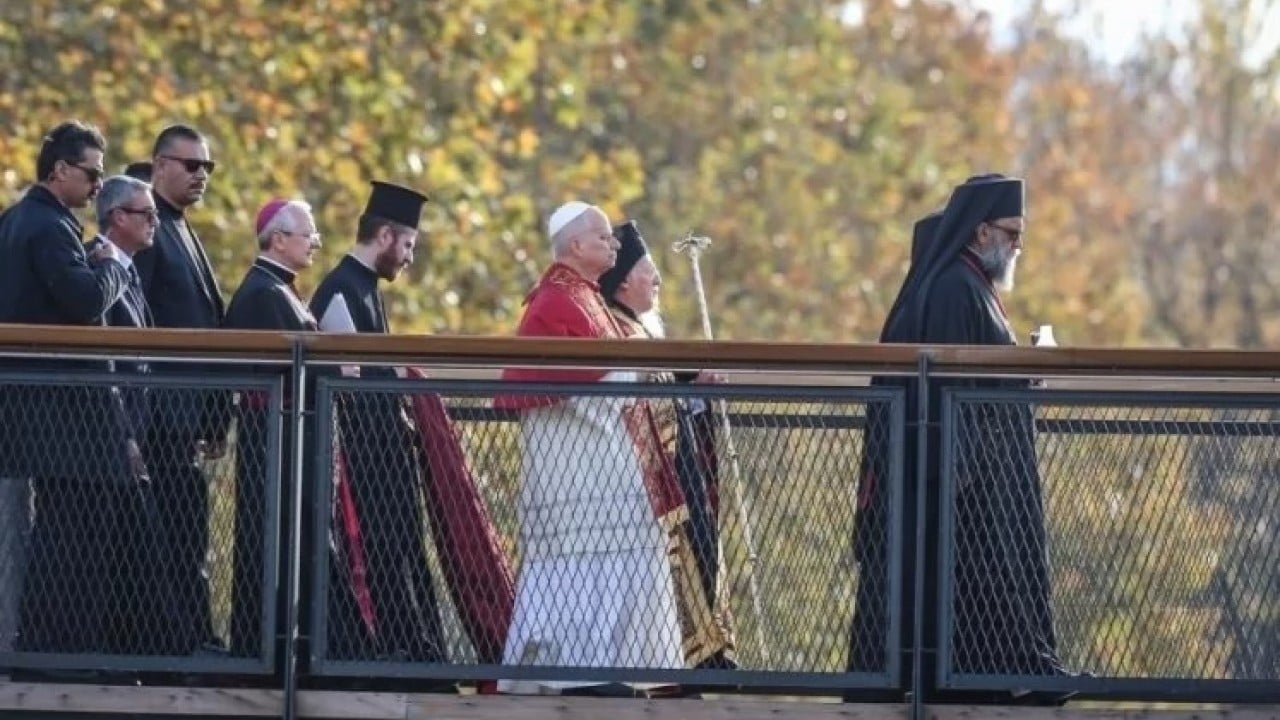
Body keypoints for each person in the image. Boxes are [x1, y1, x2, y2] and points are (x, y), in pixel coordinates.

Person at [849, 174, 1074, 705]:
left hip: (981, 462)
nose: (1019, 246)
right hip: (966, 469)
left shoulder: (975, 284)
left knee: (985, 574)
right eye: (1011, 233)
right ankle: (1012, 674)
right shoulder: (955, 286)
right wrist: (964, 467)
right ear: (979, 233)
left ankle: (1011, 673)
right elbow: (951, 378)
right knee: (979, 572)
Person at [494, 202, 683, 697]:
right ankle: (573, 675)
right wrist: (638, 368)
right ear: (575, 245)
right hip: (576, 473)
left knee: (620, 558)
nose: (613, 246)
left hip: (604, 464)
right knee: (581, 571)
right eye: (603, 238)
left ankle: (614, 669)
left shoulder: (586, 296)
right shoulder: (555, 300)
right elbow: (585, 385)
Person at [0, 121, 140, 655]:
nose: (99, 188)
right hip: (64, 408)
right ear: (60, 171)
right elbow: (84, 301)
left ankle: (48, 645)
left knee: (59, 528)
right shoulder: (50, 227)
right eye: (93, 176)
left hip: (35, 402)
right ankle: (61, 650)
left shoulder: (14, 220)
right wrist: (111, 267)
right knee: (75, 532)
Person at [309, 181, 449, 664]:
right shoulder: (340, 290)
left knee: (403, 553)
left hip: (387, 458)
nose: (410, 257)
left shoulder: (367, 288)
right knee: (381, 559)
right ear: (386, 236)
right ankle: (392, 651)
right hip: (363, 463)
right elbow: (347, 389)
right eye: (408, 245)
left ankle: (415, 646)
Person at [598, 220, 737, 670]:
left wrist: (697, 390)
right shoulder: (621, 334)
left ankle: (703, 657)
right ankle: (685, 663)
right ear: (622, 284)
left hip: (674, 474)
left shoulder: (640, 331)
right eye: (648, 271)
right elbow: (648, 408)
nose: (657, 280)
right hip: (645, 489)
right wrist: (691, 393)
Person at [132, 123, 228, 656]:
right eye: (191, 165)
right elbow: (137, 319)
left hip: (188, 417)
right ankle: (179, 647)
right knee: (171, 536)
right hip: (160, 417)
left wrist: (214, 417)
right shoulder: (150, 229)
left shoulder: (182, 229)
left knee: (189, 530)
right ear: (159, 164)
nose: (201, 176)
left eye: (207, 168)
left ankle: (195, 640)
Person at [222, 199, 321, 659]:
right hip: (273, 438)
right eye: (308, 234)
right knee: (270, 542)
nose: (315, 242)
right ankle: (266, 650)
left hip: (286, 435)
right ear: (278, 239)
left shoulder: (279, 288)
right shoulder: (264, 292)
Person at [88, 174, 178, 655]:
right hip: (105, 443)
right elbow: (104, 363)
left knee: (133, 554)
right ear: (118, 217)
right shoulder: (97, 265)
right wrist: (124, 435)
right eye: (147, 215)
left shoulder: (129, 270)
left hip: (134, 437)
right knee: (109, 553)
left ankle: (136, 653)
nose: (155, 223)